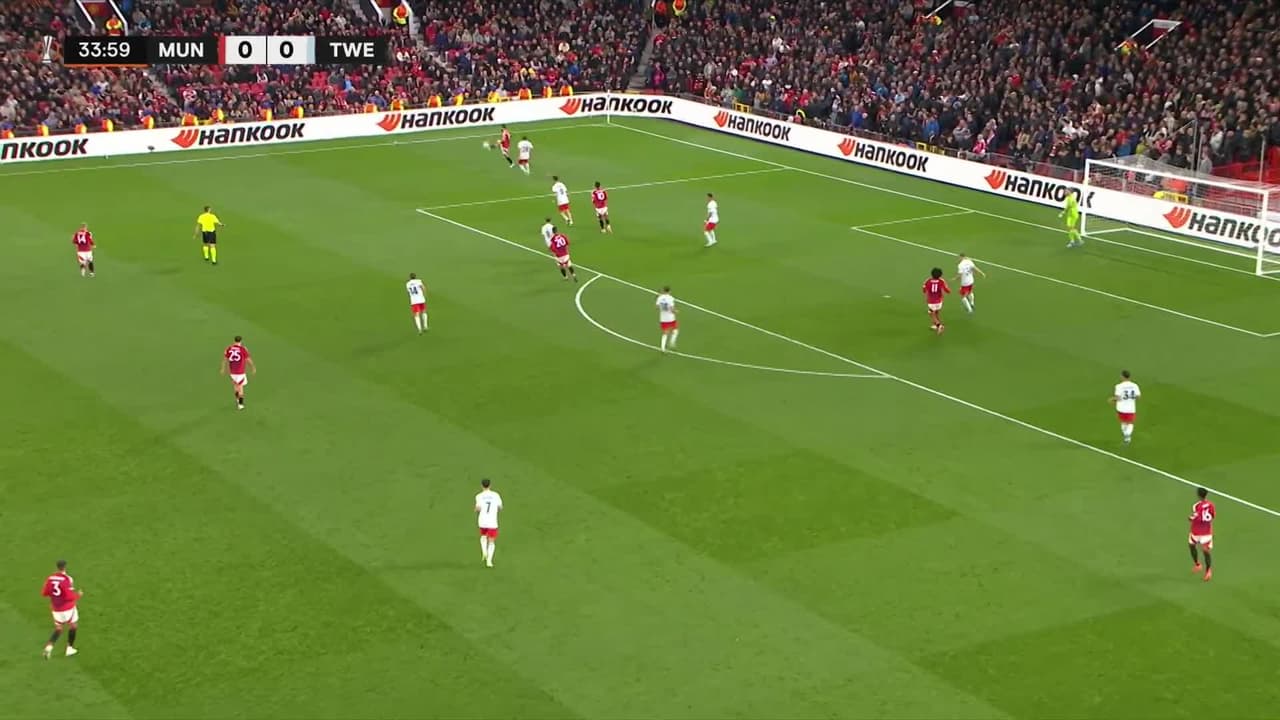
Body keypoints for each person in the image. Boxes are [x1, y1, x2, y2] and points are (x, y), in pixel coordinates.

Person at [41, 560, 82, 659]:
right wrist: (78, 595)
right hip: (67, 608)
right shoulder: (67, 579)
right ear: (65, 567)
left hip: (56, 609)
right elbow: (69, 597)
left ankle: (49, 647)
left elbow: (44, 593)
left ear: (57, 567)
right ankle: (69, 648)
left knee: (59, 628)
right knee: (73, 626)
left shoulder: (50, 578)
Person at [221, 335, 256, 410]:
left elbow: (225, 359)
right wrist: (252, 367)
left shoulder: (229, 348)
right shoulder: (243, 349)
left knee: (235, 386)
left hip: (232, 372)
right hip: (240, 372)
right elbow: (248, 359)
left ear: (234, 340)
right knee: (240, 388)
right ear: (241, 341)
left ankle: (237, 399)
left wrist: (223, 368)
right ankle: (240, 404)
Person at [474, 478, 503, 568]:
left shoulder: (479, 496)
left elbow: (478, 508)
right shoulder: (496, 495)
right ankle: (489, 561)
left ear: (482, 486)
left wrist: (476, 509)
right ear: (490, 485)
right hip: (492, 521)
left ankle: (484, 551)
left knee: (483, 536)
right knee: (491, 541)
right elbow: (500, 507)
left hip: (482, 520)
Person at [1188, 487, 1215, 582]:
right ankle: (1207, 570)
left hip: (1196, 531)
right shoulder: (1211, 505)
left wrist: (1190, 518)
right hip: (1206, 531)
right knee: (1205, 551)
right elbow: (1212, 516)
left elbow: (1194, 516)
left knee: (1192, 546)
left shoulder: (1196, 506)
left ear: (1198, 495)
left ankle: (1198, 565)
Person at [1108, 370, 1141, 444]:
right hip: (1131, 408)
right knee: (1130, 423)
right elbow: (1138, 397)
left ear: (1122, 376)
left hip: (1121, 408)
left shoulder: (1119, 386)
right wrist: (1131, 398)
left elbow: (1118, 398)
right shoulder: (1135, 385)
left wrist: (1112, 399)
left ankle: (1126, 436)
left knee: (1123, 422)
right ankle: (1127, 435)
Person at [922, 268, 951, 335]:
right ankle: (935, 325)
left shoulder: (928, 281)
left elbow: (924, 289)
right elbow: (947, 289)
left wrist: (925, 291)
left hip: (931, 301)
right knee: (936, 312)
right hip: (939, 301)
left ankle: (939, 325)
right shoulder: (941, 281)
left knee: (931, 313)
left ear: (931, 274)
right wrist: (948, 291)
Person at [656, 286, 679, 351]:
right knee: (675, 330)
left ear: (663, 290)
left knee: (665, 333)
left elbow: (657, 307)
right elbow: (672, 308)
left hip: (663, 318)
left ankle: (662, 348)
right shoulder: (670, 298)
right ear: (669, 291)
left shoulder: (660, 297)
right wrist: (676, 311)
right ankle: (672, 343)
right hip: (671, 318)